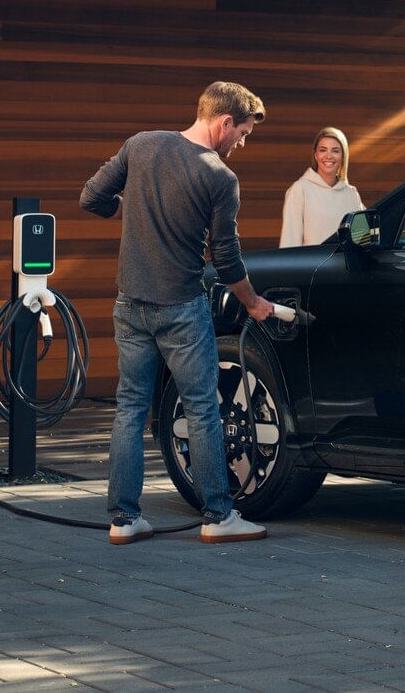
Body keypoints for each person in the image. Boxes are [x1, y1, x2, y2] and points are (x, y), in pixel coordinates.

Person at [80, 81, 276, 546]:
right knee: (203, 408)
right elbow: (226, 261)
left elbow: (91, 197)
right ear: (225, 122)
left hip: (130, 304)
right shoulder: (219, 177)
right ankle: (218, 516)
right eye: (243, 134)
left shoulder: (142, 144)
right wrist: (253, 303)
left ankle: (123, 521)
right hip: (182, 309)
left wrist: (129, 211)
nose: (241, 145)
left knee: (130, 407)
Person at [279, 126, 364, 247]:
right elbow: (289, 241)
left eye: (335, 150)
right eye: (323, 150)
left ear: (343, 156)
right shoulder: (300, 189)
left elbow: (362, 241)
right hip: (312, 265)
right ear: (316, 155)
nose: (328, 156)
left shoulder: (351, 194)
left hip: (344, 266)